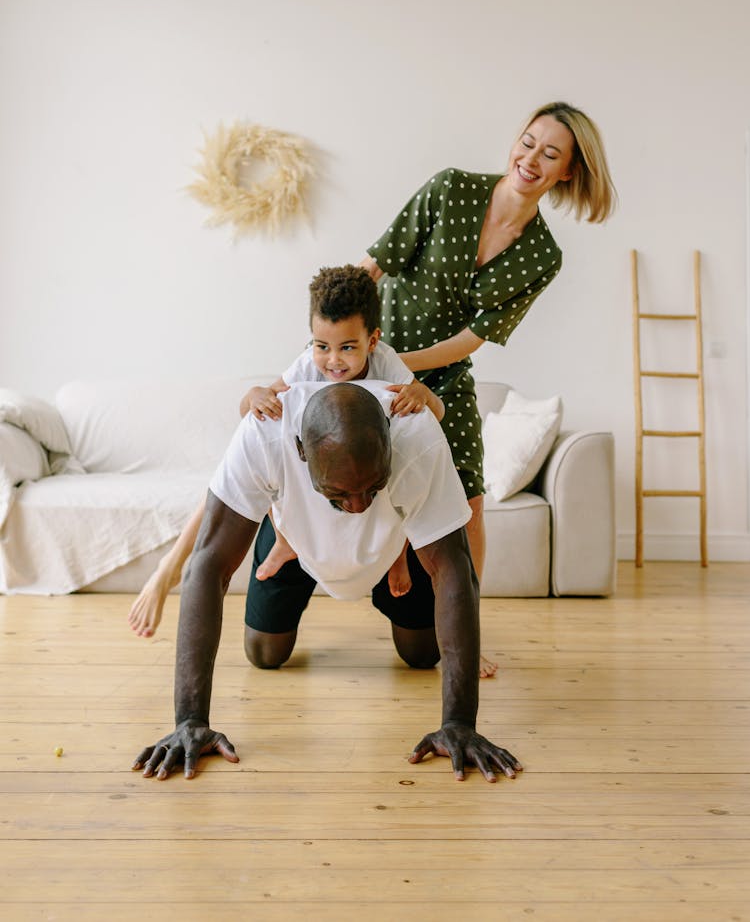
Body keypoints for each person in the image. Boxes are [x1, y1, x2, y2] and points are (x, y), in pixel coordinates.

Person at [132, 381, 523, 783]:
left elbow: (454, 569)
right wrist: (190, 719)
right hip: (297, 539)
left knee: (423, 655)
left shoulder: (417, 434)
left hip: (390, 546)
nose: (357, 506)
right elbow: (209, 563)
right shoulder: (265, 432)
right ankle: (289, 548)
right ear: (301, 451)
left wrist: (459, 722)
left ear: (390, 440)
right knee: (264, 653)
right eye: (340, 493)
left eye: (373, 486)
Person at [360, 100, 617, 678]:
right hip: (374, 364)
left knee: (471, 503)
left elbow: (474, 336)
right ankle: (393, 570)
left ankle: (464, 639)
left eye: (550, 153)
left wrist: (409, 368)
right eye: (528, 142)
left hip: (442, 374)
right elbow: (375, 264)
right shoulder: (451, 189)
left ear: (567, 172)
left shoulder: (542, 256)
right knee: (380, 480)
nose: (531, 158)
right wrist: (344, 341)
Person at [127, 265, 443, 638]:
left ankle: (398, 555)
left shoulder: (387, 363)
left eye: (347, 347)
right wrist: (253, 396)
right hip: (308, 482)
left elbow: (434, 417)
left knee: (408, 465)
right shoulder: (308, 366)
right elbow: (254, 414)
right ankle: (264, 544)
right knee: (252, 467)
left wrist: (423, 396)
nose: (333, 361)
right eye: (322, 346)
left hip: (372, 484)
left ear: (372, 341)